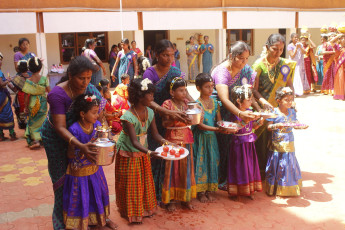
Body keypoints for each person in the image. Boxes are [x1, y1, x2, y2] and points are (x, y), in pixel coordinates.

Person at [40, 56, 109, 230]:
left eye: (88, 78)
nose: (85, 82)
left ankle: (90, 218)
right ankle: (62, 223)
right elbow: (60, 127)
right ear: (70, 75)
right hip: (56, 139)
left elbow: (100, 112)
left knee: (87, 177)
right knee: (62, 181)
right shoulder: (57, 94)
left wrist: (102, 131)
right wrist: (80, 146)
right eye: (81, 78)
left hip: (82, 136)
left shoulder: (90, 89)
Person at [142, 39, 194, 202]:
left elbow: (182, 91)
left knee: (174, 154)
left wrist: (194, 105)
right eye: (165, 55)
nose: (170, 58)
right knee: (158, 152)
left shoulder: (174, 71)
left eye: (172, 55)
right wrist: (165, 111)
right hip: (154, 116)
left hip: (173, 115)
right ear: (157, 55)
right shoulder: (149, 73)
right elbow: (146, 99)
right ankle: (157, 192)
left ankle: (174, 191)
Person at [115, 78, 168, 224]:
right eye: (150, 95)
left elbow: (155, 134)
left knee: (143, 179)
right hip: (129, 151)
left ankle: (145, 208)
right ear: (139, 96)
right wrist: (150, 153)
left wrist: (166, 142)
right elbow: (133, 141)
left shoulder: (150, 112)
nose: (152, 98)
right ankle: (132, 213)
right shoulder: (127, 117)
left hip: (142, 150)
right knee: (131, 182)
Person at [63, 93, 116, 230]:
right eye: (93, 113)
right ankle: (82, 223)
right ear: (82, 113)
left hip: (95, 169)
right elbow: (69, 153)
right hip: (79, 172)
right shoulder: (74, 129)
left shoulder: (97, 125)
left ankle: (102, 220)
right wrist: (82, 149)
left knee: (99, 194)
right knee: (83, 197)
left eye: (97, 112)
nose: (97, 115)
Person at [211, 41, 258, 190]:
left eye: (246, 59)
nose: (244, 62)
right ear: (231, 56)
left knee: (235, 146)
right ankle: (219, 179)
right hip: (219, 111)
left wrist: (257, 108)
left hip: (237, 111)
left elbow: (250, 93)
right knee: (222, 145)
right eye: (241, 58)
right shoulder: (221, 71)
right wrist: (240, 114)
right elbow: (224, 99)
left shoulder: (246, 70)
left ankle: (233, 177)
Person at [252, 34, 296, 175]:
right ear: (267, 47)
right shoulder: (258, 65)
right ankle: (260, 170)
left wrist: (291, 100)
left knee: (277, 139)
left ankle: (275, 169)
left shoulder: (285, 65)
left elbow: (289, 86)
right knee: (262, 140)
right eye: (275, 49)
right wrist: (263, 102)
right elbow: (253, 89)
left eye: (281, 49)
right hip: (261, 109)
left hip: (278, 109)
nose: (278, 53)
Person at [161, 77, 196, 211]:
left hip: (186, 140)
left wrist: (190, 119)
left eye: (185, 90)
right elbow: (164, 124)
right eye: (181, 90)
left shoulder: (188, 104)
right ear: (172, 92)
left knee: (186, 170)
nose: (184, 93)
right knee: (172, 171)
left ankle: (185, 198)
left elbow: (196, 116)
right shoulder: (167, 105)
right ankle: (171, 200)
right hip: (172, 140)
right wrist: (175, 117)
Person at [265, 87, 306, 196]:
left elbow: (294, 122)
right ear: (278, 101)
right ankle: (275, 187)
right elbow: (268, 127)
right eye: (286, 100)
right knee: (277, 164)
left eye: (291, 99)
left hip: (289, 141)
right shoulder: (274, 112)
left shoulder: (292, 111)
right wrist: (276, 125)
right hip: (277, 143)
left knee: (288, 164)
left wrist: (298, 125)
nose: (289, 102)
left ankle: (287, 188)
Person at [192, 73, 226, 203]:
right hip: (201, 139)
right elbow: (199, 125)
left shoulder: (216, 103)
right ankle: (201, 192)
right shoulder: (196, 105)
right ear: (198, 88)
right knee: (201, 162)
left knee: (213, 161)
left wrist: (224, 127)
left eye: (212, 86)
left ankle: (210, 189)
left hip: (212, 139)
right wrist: (218, 129)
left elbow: (219, 121)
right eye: (207, 87)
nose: (210, 89)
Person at [228, 85, 263, 201]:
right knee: (239, 167)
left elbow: (252, 127)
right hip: (239, 145)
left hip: (249, 144)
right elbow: (234, 128)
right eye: (249, 99)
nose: (251, 102)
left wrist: (259, 122)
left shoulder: (250, 111)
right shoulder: (235, 115)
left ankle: (250, 190)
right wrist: (245, 120)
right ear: (238, 101)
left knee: (250, 166)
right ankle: (237, 191)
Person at [23, 57, 50, 149]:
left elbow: (26, 96)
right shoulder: (44, 79)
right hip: (42, 103)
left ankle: (36, 140)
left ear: (29, 68)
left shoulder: (28, 81)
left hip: (33, 103)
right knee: (42, 120)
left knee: (33, 121)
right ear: (40, 68)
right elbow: (49, 92)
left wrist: (26, 107)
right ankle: (42, 138)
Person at [13, 38, 36, 129]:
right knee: (22, 100)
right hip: (22, 80)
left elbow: (35, 65)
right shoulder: (17, 54)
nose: (25, 46)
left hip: (31, 79)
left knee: (32, 99)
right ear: (19, 46)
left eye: (27, 44)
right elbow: (17, 68)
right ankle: (23, 122)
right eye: (23, 44)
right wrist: (24, 70)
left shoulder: (31, 55)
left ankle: (32, 120)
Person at [0, 53, 17, 141]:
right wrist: (8, 80)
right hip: (2, 96)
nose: (0, 62)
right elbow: (1, 84)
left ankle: (1, 135)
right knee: (7, 113)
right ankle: (12, 134)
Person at [333, 32, 345, 100]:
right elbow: (331, 41)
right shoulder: (337, 47)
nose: (344, 39)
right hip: (340, 66)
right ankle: (340, 95)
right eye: (342, 38)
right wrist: (338, 36)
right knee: (340, 79)